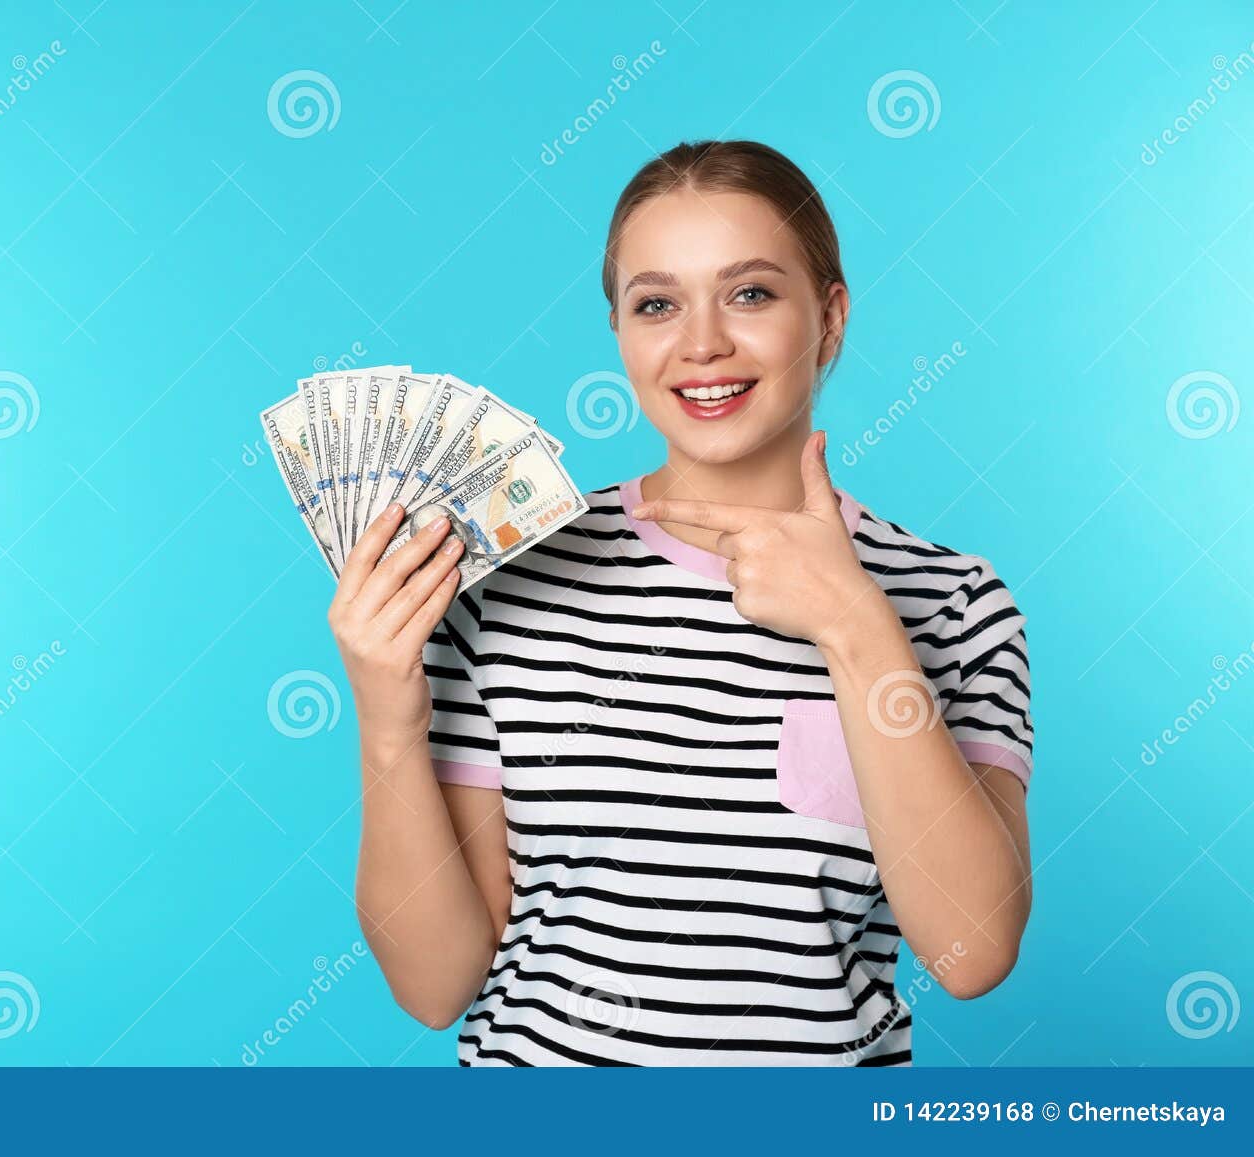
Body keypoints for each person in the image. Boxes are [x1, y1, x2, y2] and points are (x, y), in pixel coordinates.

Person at [333, 139, 1034, 1066]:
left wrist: (858, 629)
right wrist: (387, 717)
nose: (702, 343)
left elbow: (972, 952)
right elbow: (435, 987)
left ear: (829, 319)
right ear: (619, 333)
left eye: (751, 293)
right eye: (657, 303)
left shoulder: (951, 602)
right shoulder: (506, 578)